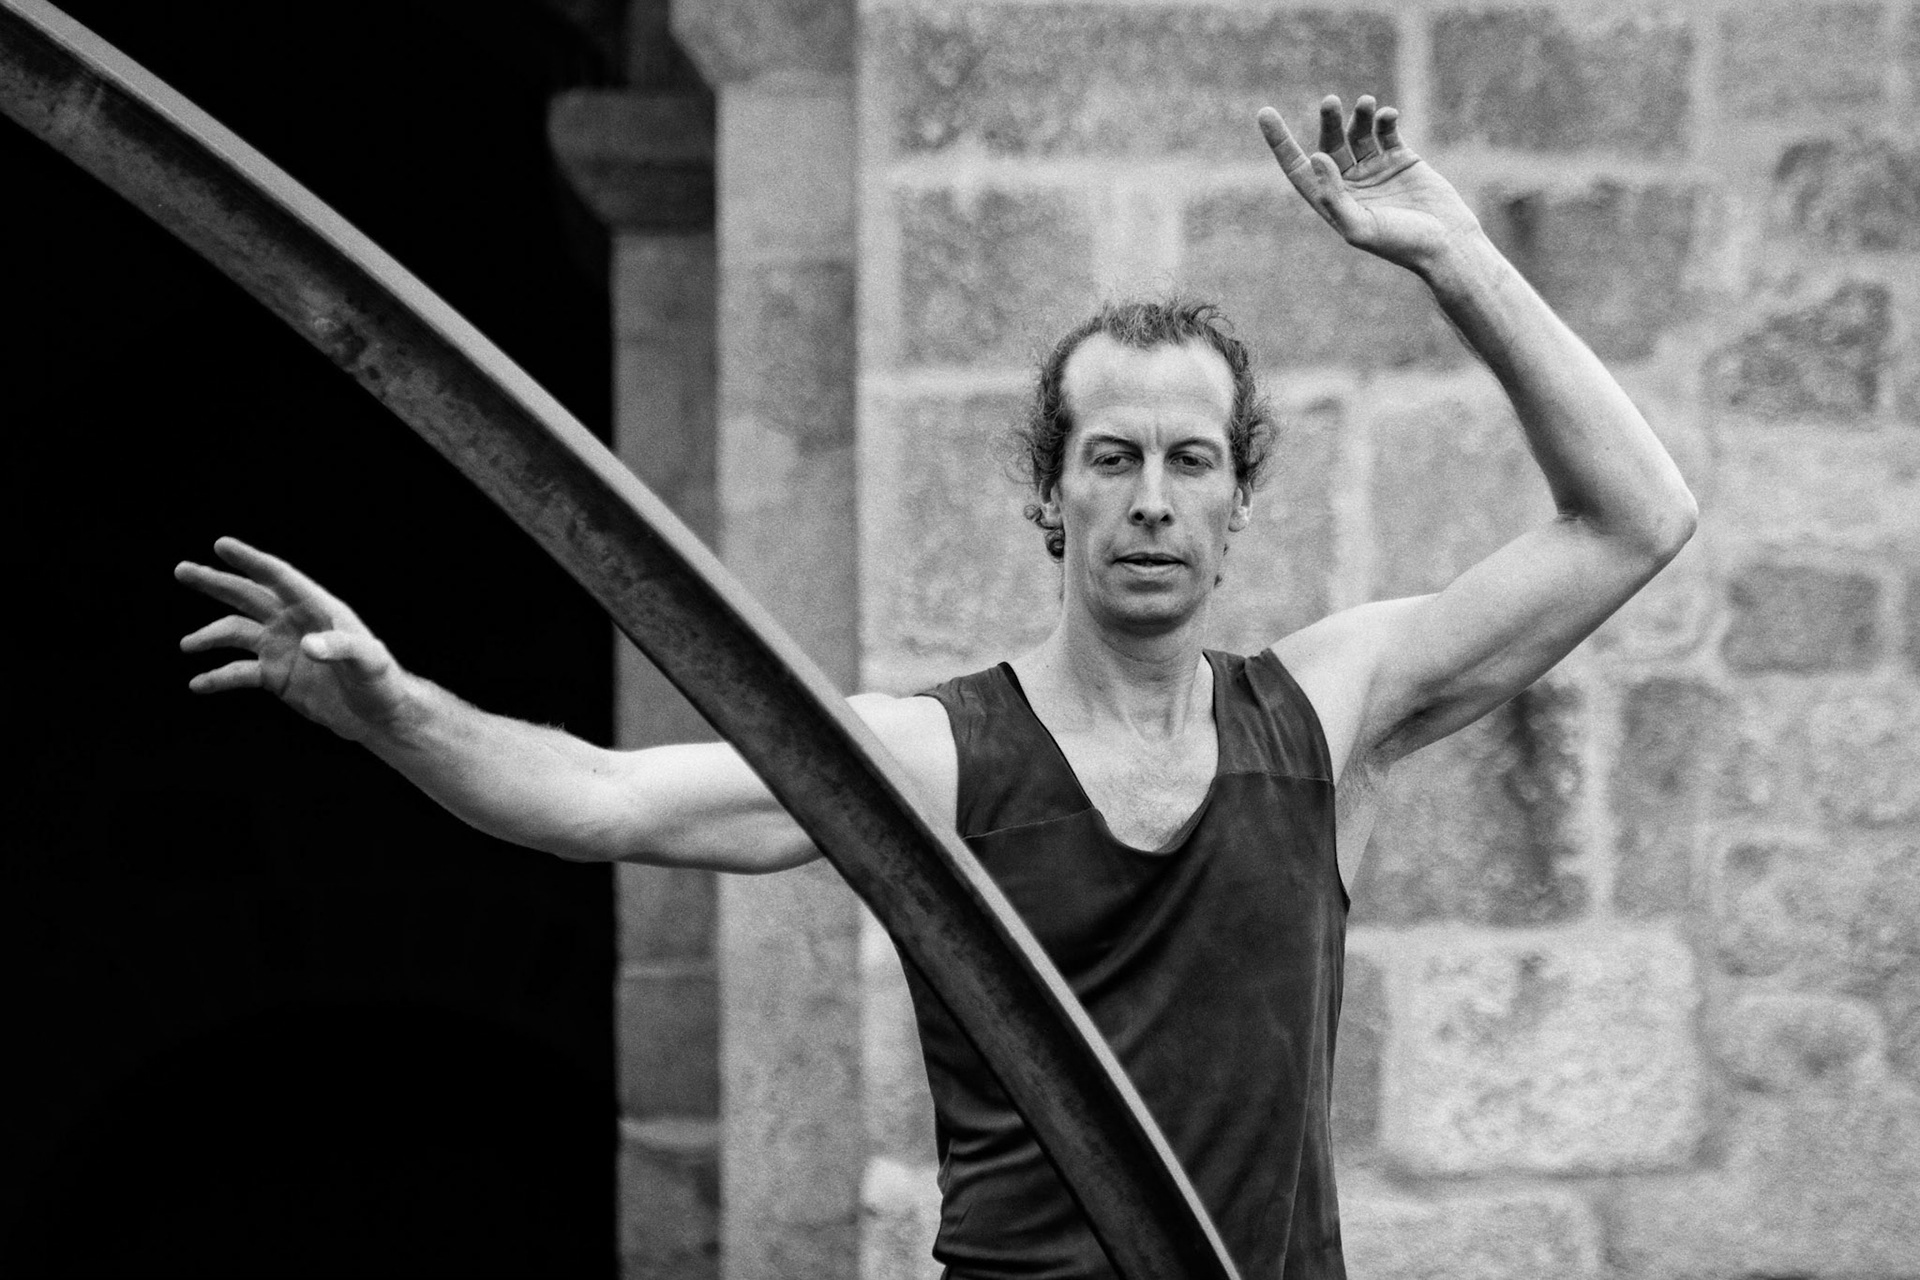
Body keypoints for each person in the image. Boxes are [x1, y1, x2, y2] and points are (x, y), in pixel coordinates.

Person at [176, 95, 1697, 1279]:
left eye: (1191, 461)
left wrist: (1452, 254)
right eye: (1112, 458)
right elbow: (601, 799)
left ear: (1239, 504)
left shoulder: (1326, 712)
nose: (1151, 499)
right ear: (1051, 496)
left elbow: (1636, 519)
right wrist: (396, 710)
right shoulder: (941, 756)